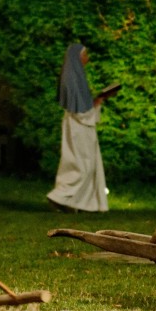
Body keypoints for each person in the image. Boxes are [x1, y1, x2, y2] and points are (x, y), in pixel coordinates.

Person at [46, 43, 110, 213]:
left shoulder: (74, 76)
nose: (87, 59)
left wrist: (95, 103)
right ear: (77, 57)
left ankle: (78, 203)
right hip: (79, 128)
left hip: (77, 126)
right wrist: (96, 104)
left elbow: (80, 106)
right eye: (85, 55)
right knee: (81, 165)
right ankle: (60, 197)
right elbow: (80, 111)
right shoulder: (73, 78)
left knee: (81, 164)